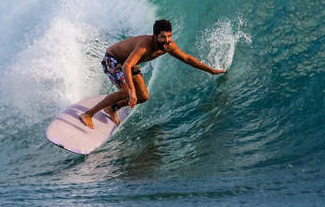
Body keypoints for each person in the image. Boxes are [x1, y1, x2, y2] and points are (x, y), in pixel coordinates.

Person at [79, 19, 225, 129]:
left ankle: (112, 107)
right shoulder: (144, 46)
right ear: (155, 36)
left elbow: (187, 58)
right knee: (127, 91)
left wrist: (210, 70)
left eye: (169, 36)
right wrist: (131, 92)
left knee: (143, 96)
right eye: (163, 37)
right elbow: (126, 66)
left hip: (128, 63)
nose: (167, 40)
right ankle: (88, 114)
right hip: (113, 59)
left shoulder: (168, 46)